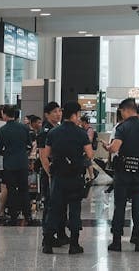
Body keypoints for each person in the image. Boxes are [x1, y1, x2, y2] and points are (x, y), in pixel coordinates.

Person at [45, 102, 94, 255]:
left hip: (58, 176)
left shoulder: (53, 132)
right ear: (76, 114)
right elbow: (90, 154)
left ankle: (48, 243)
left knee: (54, 209)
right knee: (74, 209)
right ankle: (74, 244)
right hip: (75, 177)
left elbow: (47, 153)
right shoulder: (80, 133)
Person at [108, 98, 139, 252]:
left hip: (123, 172)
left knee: (119, 206)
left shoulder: (122, 127)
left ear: (125, 110)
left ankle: (116, 241)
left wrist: (108, 147)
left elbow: (115, 148)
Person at [0, 105, 33, 225]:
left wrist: (6, 153)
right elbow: (29, 145)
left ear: (4, 114)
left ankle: (13, 216)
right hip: (22, 163)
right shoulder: (24, 128)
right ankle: (27, 214)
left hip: (9, 164)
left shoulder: (2, 130)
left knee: (11, 190)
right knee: (24, 190)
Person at [36, 101, 64, 252]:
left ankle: (58, 232)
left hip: (58, 172)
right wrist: (49, 174)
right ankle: (48, 235)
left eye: (59, 111)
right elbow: (43, 156)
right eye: (54, 112)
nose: (58, 114)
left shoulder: (57, 128)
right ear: (47, 115)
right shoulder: (45, 131)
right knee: (50, 204)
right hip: (50, 173)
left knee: (58, 204)